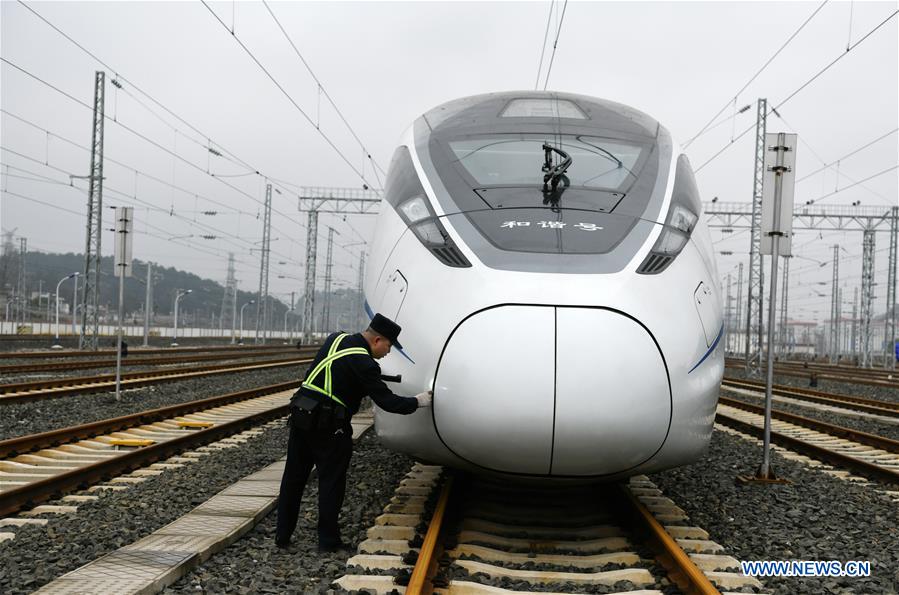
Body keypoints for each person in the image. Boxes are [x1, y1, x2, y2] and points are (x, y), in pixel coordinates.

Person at [275, 313, 431, 552]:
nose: (388, 352)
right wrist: (418, 401)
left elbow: (340, 372)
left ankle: (282, 536)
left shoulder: (335, 339)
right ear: (377, 340)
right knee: (331, 482)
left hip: (301, 416)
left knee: (293, 478)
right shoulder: (366, 364)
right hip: (329, 427)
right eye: (389, 346)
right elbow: (388, 402)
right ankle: (328, 541)